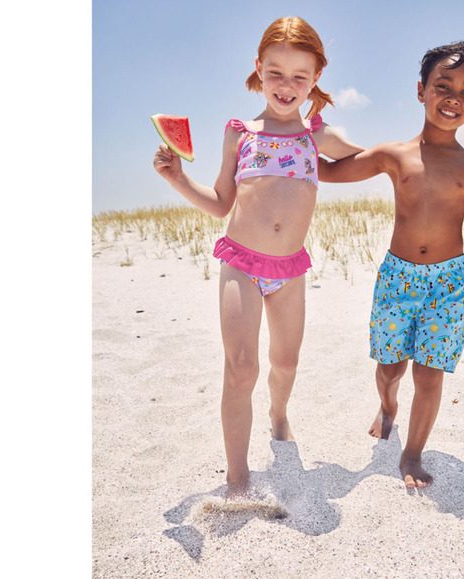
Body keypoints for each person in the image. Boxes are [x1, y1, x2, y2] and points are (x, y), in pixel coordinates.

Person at [153, 16, 362, 498]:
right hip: (241, 262)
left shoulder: (314, 135)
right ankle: (238, 476)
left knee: (285, 363)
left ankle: (279, 413)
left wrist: (333, 136)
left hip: (289, 269)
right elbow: (222, 203)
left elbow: (366, 158)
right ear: (258, 69)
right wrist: (177, 179)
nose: (286, 86)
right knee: (241, 367)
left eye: (299, 77)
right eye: (275, 73)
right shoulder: (239, 132)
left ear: (315, 79)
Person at [319, 41, 464, 488]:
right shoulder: (394, 155)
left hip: (449, 284)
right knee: (390, 368)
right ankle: (388, 403)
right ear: (421, 90)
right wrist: (288, 140)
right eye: (443, 85)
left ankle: (411, 454)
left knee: (430, 374)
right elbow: (329, 171)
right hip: (398, 278)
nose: (454, 97)